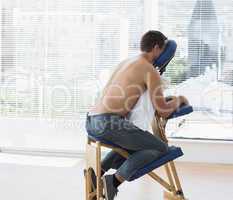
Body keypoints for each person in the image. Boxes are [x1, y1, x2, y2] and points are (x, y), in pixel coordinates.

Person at [85, 30, 189, 200]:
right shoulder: (149, 70)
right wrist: (179, 100)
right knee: (160, 148)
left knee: (136, 144)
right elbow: (162, 109)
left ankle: (97, 173)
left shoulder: (129, 61)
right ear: (156, 48)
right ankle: (113, 181)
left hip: (92, 121)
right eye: (163, 51)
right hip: (109, 124)